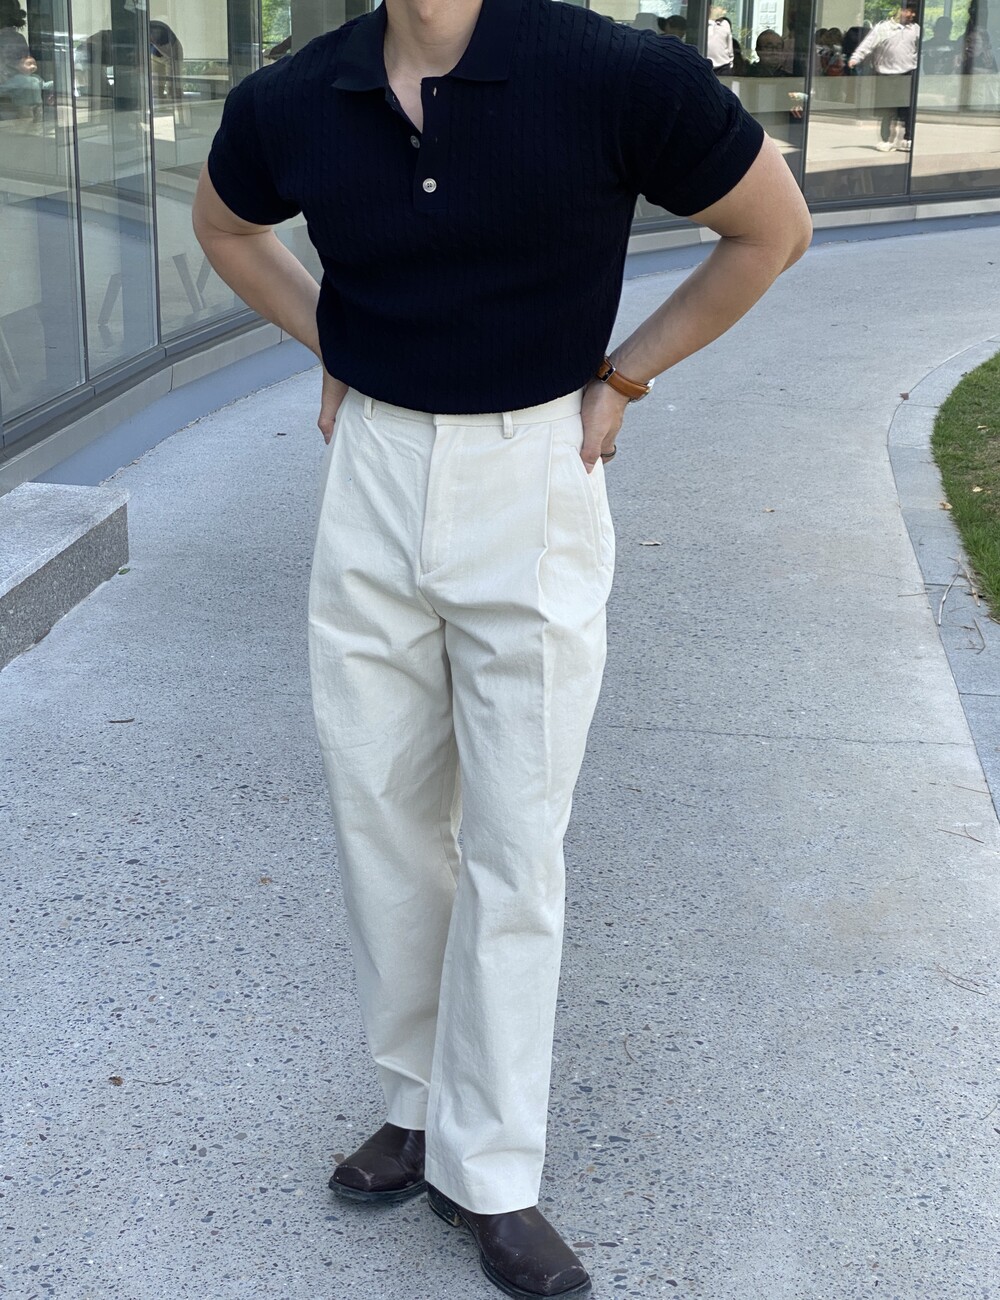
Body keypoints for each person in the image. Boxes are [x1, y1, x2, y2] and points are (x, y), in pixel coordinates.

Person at [192, 0, 811, 1295]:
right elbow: (226, 227)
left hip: (534, 470)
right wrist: (335, 338)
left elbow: (770, 229)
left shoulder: (614, 74)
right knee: (381, 814)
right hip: (373, 472)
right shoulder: (295, 98)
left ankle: (493, 1170)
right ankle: (417, 1106)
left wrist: (625, 376)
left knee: (515, 842)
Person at [848, 3, 920, 151]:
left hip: (907, 72)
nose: (912, 15)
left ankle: (908, 138)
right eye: (909, 11)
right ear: (900, 11)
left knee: (907, 108)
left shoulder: (915, 29)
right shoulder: (883, 28)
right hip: (886, 73)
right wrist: (856, 58)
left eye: (913, 12)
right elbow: (867, 44)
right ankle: (886, 140)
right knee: (887, 110)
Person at [707, 5, 734, 72]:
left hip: (723, 66)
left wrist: (731, 61)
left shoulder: (725, 24)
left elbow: (729, 45)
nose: (724, 12)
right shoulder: (702, 24)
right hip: (705, 65)